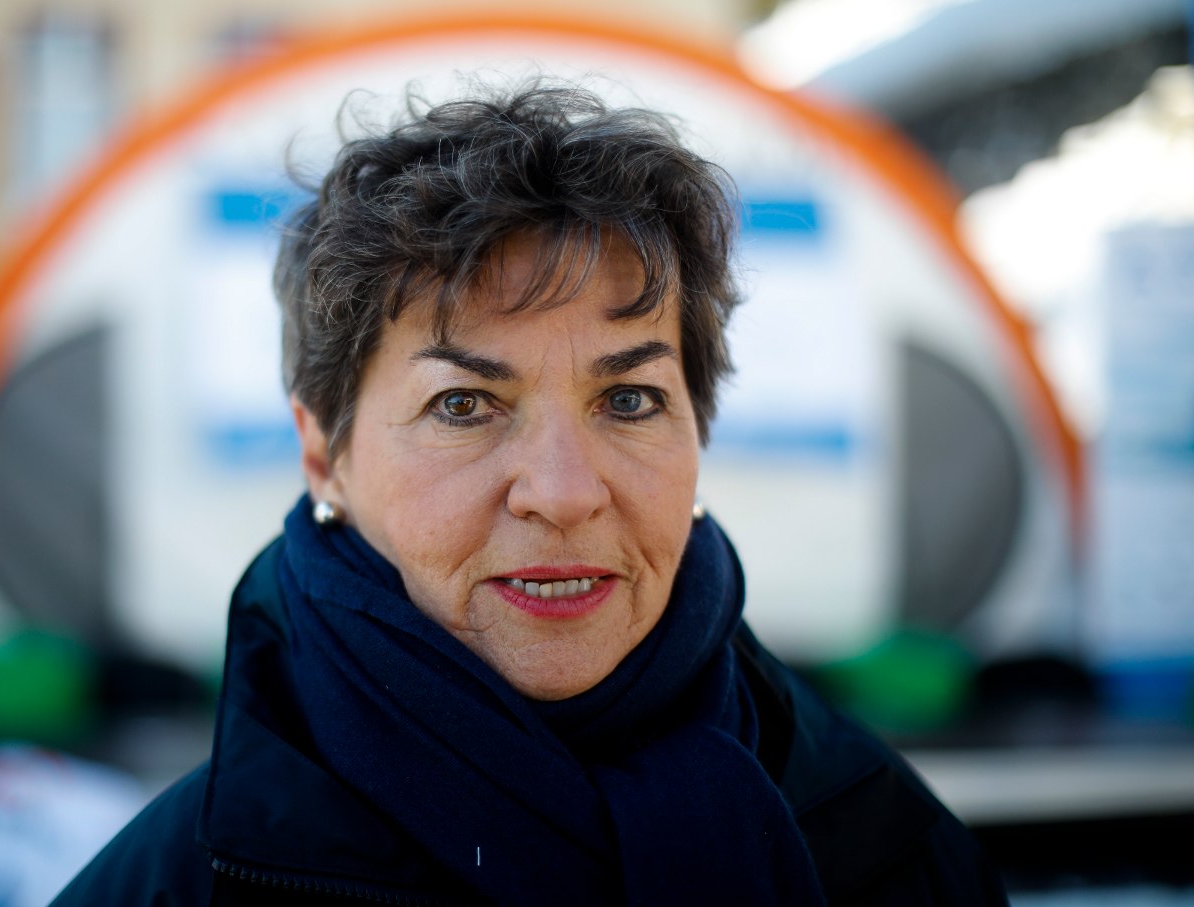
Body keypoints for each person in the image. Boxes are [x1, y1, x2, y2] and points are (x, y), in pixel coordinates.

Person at [53, 82, 1008, 906]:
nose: (561, 493)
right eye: (464, 404)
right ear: (322, 454)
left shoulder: (885, 845)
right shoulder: (196, 880)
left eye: (629, 399)